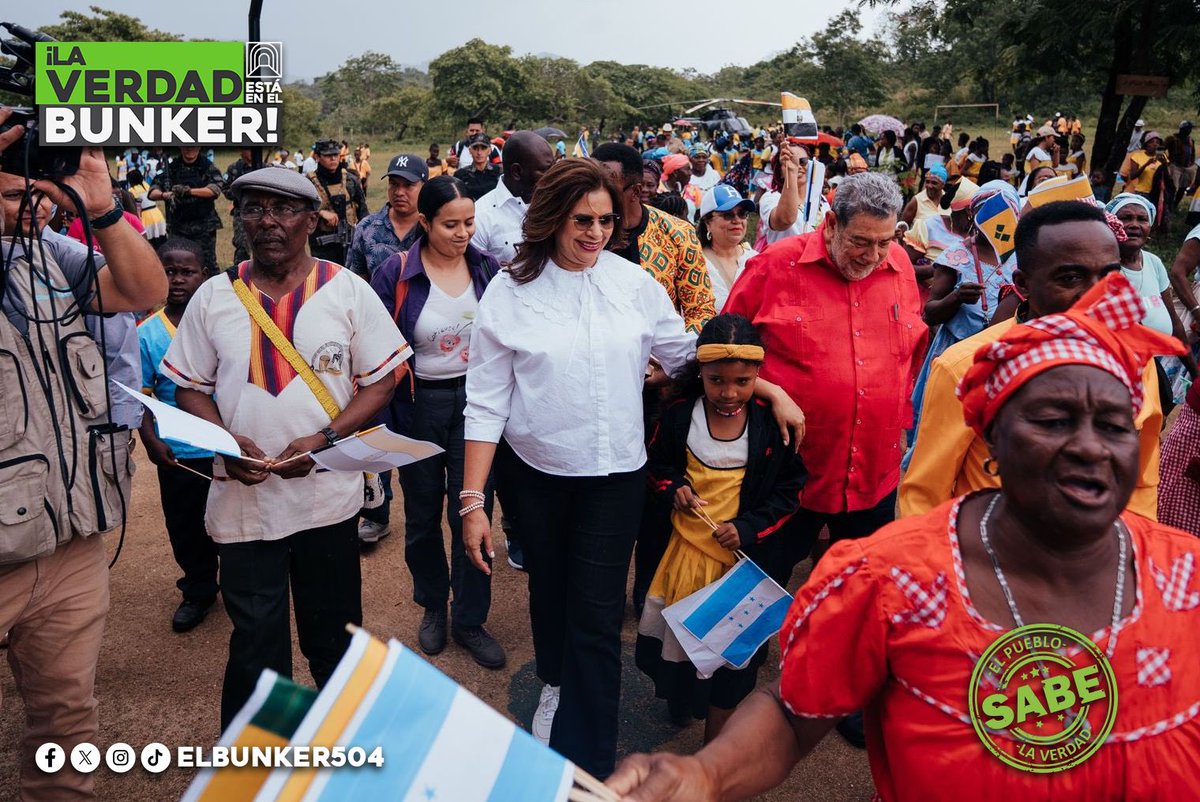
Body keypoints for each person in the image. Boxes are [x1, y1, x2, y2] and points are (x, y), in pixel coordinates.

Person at [607, 273, 1200, 802]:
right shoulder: (888, 579)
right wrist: (707, 776)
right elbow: (793, 715)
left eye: (1115, 424)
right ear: (991, 441)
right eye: (1053, 420)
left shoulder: (1190, 580)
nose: (1092, 447)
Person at [459, 159, 698, 776]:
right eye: (581, 220)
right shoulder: (509, 291)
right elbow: (486, 402)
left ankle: (586, 765)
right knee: (549, 591)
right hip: (533, 475)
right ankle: (556, 684)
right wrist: (472, 502)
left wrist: (765, 386)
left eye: (606, 220)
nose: (595, 233)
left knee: (595, 617)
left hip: (616, 477)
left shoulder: (635, 284)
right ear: (551, 220)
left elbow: (688, 355)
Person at [163, 167, 410, 727]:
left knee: (336, 638)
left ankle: (348, 753)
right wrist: (228, 441)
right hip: (243, 503)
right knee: (257, 645)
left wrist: (325, 439)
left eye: (284, 209)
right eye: (254, 208)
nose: (268, 222)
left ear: (311, 219)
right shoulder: (213, 297)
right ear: (238, 219)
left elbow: (382, 381)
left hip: (327, 500)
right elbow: (189, 387)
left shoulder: (345, 289)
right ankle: (259, 769)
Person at [0, 108, 167, 801]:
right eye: (14, 193)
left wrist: (99, 208)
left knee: (67, 729)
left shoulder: (49, 253)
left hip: (66, 541)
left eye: (41, 192)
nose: (33, 207)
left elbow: (143, 292)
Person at [722, 174, 926, 689]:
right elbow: (726, 354)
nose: (872, 255)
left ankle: (848, 691)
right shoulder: (774, 266)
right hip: (787, 474)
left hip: (873, 472)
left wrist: (898, 420)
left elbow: (909, 352)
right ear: (831, 223)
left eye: (884, 242)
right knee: (753, 590)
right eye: (860, 241)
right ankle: (725, 686)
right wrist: (770, 391)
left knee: (864, 594)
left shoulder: (899, 265)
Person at [900, 201, 1165, 519]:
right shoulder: (965, 368)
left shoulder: (1136, 361)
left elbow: (1142, 481)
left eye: (1109, 277)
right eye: (1070, 279)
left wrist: (1129, 554)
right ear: (1024, 284)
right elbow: (924, 497)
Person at [636, 314, 806, 739]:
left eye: (742, 382)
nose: (729, 393)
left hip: (740, 571)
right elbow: (656, 465)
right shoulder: (678, 416)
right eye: (716, 381)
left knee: (731, 660)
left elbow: (790, 490)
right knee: (681, 645)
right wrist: (673, 485)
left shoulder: (772, 425)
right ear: (701, 373)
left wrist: (747, 529)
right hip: (683, 561)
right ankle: (680, 702)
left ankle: (715, 743)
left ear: (758, 377)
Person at [369, 176, 505, 668]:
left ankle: (470, 618)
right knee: (423, 513)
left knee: (472, 507)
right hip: (418, 405)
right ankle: (433, 605)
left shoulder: (488, 269)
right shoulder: (395, 273)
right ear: (424, 223)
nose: (463, 232)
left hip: (478, 404)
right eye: (450, 224)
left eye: (469, 222)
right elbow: (375, 343)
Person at [137, 238, 219, 633]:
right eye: (169, 271)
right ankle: (199, 589)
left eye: (187, 272)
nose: (177, 279)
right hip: (179, 453)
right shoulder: (147, 333)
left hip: (227, 446)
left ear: (205, 275)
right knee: (187, 526)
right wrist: (151, 440)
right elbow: (140, 397)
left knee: (236, 519)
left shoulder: (222, 323)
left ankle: (244, 586)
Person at [593, 143, 716, 333]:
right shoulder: (581, 234)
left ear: (635, 191)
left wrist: (672, 354)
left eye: (608, 188)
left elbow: (699, 309)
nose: (595, 194)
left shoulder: (678, 233)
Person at [1108, 193, 1198, 405]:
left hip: (1157, 368)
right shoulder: (1105, 269)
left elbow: (1175, 323)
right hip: (1123, 373)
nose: (1134, 225)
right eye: (1125, 218)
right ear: (1111, 223)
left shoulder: (1153, 262)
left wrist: (1195, 373)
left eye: (1142, 219)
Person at [471, 131, 555, 266]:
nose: (553, 176)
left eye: (554, 167)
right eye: (545, 170)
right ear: (516, 172)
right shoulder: (479, 217)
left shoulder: (557, 204)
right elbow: (479, 276)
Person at [346, 153, 428, 282]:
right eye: (394, 184)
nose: (399, 192)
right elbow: (356, 282)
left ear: (424, 187)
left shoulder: (433, 227)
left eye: (408, 185)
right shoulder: (366, 228)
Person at [149, 146, 224, 274]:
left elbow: (215, 190)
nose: (189, 150)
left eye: (192, 147)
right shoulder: (172, 168)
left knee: (207, 264)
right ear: (180, 147)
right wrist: (164, 195)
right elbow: (152, 192)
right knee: (176, 262)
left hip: (203, 226)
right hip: (178, 226)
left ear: (199, 147)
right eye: (186, 147)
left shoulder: (206, 166)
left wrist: (188, 191)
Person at [755, 142, 828, 248]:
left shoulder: (821, 200)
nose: (797, 166)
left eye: (803, 161)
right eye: (790, 161)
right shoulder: (771, 198)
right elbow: (784, 220)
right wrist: (791, 172)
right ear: (779, 171)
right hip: (784, 263)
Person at [308, 138, 369, 265]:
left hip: (349, 245)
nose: (333, 159)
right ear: (318, 157)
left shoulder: (351, 181)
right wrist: (320, 213)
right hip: (322, 248)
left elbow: (363, 213)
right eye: (328, 156)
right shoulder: (309, 183)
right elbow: (299, 213)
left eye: (335, 155)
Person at [696, 186, 757, 311]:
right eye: (728, 215)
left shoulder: (756, 259)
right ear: (708, 223)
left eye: (742, 214)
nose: (737, 220)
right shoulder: (696, 263)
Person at [223, 148, 266, 265]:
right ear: (240, 151)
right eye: (247, 149)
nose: (250, 152)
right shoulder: (234, 169)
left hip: (264, 212)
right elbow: (226, 190)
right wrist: (244, 192)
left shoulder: (265, 167)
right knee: (242, 246)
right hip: (242, 212)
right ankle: (239, 277)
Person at [1120, 131, 1170, 205]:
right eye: (1152, 142)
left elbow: (1167, 176)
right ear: (1146, 144)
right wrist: (1146, 164)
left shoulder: (1162, 157)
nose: (1155, 144)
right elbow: (1133, 176)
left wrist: (1164, 163)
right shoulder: (1137, 156)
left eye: (1157, 142)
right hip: (1142, 192)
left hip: (1157, 192)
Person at [456, 133, 502, 201]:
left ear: (489, 151)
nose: (479, 152)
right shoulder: (460, 175)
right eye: (475, 148)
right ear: (470, 150)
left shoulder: (500, 172)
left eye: (483, 148)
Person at [127, 167, 166, 247]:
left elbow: (136, 208)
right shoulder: (147, 185)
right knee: (161, 240)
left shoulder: (131, 191)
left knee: (149, 244)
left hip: (145, 217)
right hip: (157, 214)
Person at [1166, 121, 1197, 208]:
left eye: (1190, 129)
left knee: (1183, 188)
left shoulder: (1190, 140)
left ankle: (1174, 206)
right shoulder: (1172, 139)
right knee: (1172, 187)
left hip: (1186, 167)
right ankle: (1168, 205)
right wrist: (1163, 161)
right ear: (1183, 129)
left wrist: (1191, 162)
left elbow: (1193, 152)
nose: (1190, 130)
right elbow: (1161, 149)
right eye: (1188, 129)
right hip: (1175, 166)